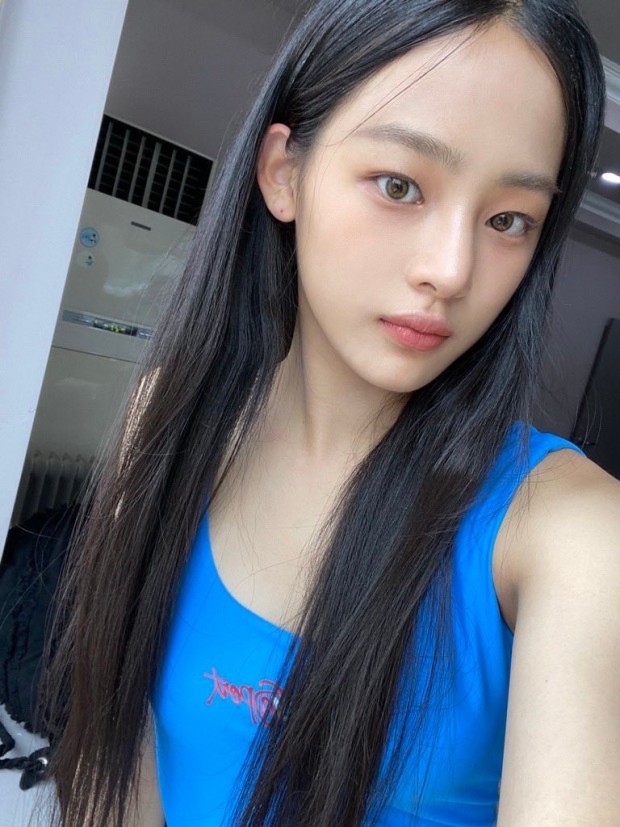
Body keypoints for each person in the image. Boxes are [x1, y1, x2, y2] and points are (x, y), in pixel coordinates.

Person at [38, 0, 620, 825]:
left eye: (507, 220)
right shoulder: (167, 422)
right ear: (284, 173)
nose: (452, 269)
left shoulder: (571, 532)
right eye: (399, 185)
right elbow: (117, 767)